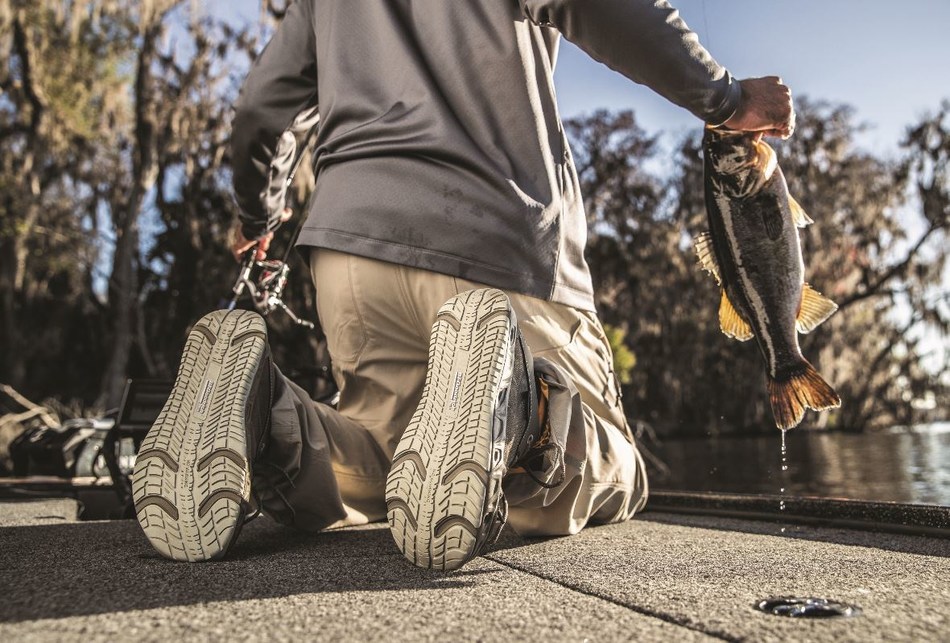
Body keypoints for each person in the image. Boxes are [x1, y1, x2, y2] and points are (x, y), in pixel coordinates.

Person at [131, 0, 793, 568]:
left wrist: (258, 212)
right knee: (612, 471)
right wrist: (726, 99)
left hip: (349, 257)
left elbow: (259, 111)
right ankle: (515, 403)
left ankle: (262, 413)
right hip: (497, 238)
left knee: (382, 458)